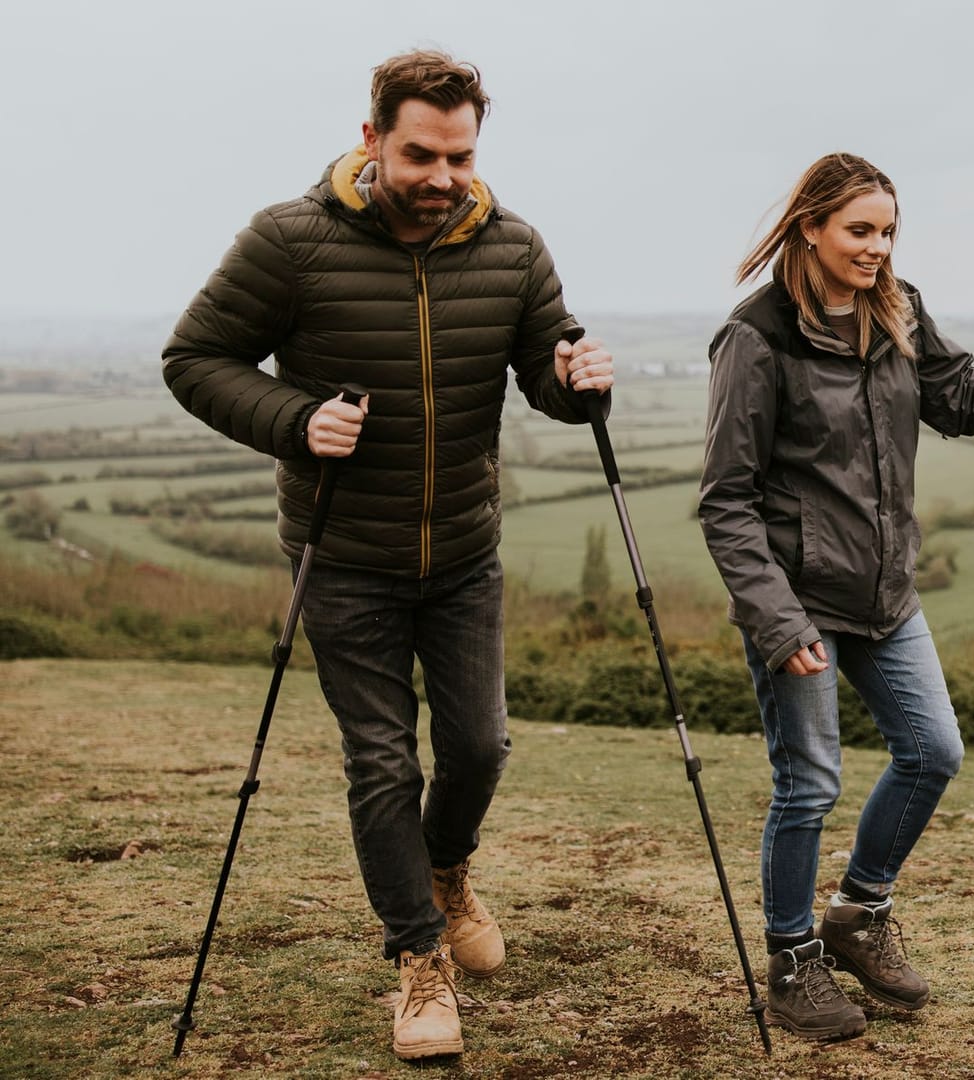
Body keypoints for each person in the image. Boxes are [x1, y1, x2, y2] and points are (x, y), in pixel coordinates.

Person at [161, 50, 614, 1061]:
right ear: (372, 139)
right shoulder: (290, 240)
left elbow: (551, 383)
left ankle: (446, 872)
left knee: (482, 746)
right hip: (343, 553)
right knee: (380, 757)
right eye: (421, 153)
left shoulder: (514, 247)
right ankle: (419, 964)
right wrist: (293, 418)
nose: (443, 176)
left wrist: (581, 378)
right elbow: (193, 360)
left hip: (462, 549)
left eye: (459, 155)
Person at [698, 152, 974, 1041]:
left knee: (934, 751)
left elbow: (961, 400)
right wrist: (775, 617)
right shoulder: (757, 337)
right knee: (808, 784)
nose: (878, 248)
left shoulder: (898, 310)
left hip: (885, 592)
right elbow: (726, 498)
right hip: (798, 601)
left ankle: (858, 913)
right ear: (811, 227)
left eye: (888, 231)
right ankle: (793, 962)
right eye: (860, 230)